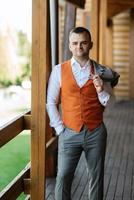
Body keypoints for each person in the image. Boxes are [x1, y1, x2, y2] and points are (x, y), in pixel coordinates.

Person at [46, 27, 119, 200]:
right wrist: (60, 129)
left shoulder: (101, 71)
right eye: (75, 43)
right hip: (69, 132)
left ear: (90, 45)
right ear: (70, 46)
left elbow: (111, 102)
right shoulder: (59, 71)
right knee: (63, 177)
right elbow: (51, 102)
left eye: (83, 43)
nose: (79, 47)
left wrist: (101, 90)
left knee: (96, 178)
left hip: (96, 132)